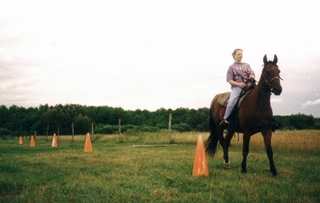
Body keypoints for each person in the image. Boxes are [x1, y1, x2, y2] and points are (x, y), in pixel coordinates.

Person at [220, 48, 255, 128]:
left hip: (249, 86)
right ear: (234, 56)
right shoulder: (231, 67)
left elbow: (251, 73)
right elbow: (230, 80)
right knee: (231, 101)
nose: (240, 56)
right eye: (238, 54)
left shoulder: (247, 65)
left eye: (241, 54)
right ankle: (225, 119)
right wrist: (239, 84)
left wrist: (252, 76)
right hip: (238, 87)